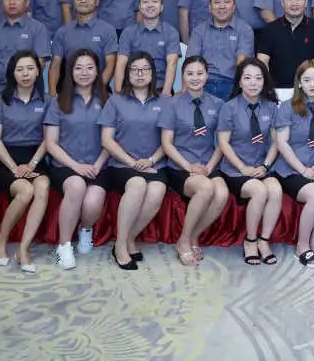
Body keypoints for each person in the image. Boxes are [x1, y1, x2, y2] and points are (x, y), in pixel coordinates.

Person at [99, 52, 170, 270]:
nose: (140, 74)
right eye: (134, 69)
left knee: (157, 190)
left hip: (154, 163)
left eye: (145, 69)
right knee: (138, 184)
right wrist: (132, 163)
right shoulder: (116, 100)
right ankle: (121, 245)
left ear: (153, 73)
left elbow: (168, 140)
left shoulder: (164, 101)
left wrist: (151, 160)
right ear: (127, 73)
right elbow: (106, 140)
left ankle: (130, 238)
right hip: (122, 164)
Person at [159, 56, 231, 267]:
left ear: (207, 76)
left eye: (200, 73)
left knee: (222, 193)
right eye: (189, 73)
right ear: (182, 76)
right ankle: (183, 240)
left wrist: (209, 167)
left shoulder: (218, 104)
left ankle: (193, 236)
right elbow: (166, 143)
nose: (195, 78)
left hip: (207, 163)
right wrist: (189, 167)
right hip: (180, 165)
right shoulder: (172, 104)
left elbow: (222, 143)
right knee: (206, 188)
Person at [0, 51, 50, 273]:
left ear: (38, 72)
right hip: (5, 157)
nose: (25, 74)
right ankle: (1, 240)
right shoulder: (0, 100)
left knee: (42, 185)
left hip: (34, 157)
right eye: (20, 69)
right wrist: (14, 168)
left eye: (30, 68)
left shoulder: (47, 100)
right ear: (12, 73)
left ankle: (24, 247)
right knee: (25, 190)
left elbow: (49, 139)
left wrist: (31, 165)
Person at [44, 49, 109, 271]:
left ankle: (86, 229)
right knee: (76, 185)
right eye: (78, 68)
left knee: (93, 201)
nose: (84, 72)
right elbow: (51, 143)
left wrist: (96, 165)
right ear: (70, 72)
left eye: (90, 67)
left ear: (97, 71)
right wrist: (76, 166)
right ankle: (63, 245)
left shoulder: (107, 101)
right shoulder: (58, 102)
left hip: (97, 165)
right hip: (65, 165)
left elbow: (110, 141)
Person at [272, 61, 314, 268]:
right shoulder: (287, 107)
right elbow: (282, 143)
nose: (312, 84)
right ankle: (301, 246)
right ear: (299, 83)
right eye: (307, 80)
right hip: (290, 170)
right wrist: (302, 170)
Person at [217, 58, 283, 266]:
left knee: (276, 190)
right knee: (259, 191)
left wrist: (265, 165)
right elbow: (223, 143)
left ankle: (264, 241)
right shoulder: (229, 107)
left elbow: (276, 142)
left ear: (264, 81)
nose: (253, 83)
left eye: (258, 78)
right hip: (235, 169)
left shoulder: (272, 107)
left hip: (261, 166)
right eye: (247, 78)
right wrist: (242, 167)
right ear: (239, 82)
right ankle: (250, 240)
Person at [257, 0, 314, 100]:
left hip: (309, 91)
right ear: (282, 3)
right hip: (277, 91)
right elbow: (262, 61)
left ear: (306, 2)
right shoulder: (270, 29)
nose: (294, 3)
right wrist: (267, 89)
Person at [48, 0, 118, 96]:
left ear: (97, 2)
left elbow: (110, 66)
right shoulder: (62, 32)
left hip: (99, 91)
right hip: (68, 91)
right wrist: (52, 94)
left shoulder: (108, 30)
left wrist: (95, 93)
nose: (83, 0)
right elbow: (55, 65)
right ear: (73, 1)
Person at [187, 0, 255, 99]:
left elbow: (242, 62)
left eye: (226, 2)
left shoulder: (244, 30)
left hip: (232, 84)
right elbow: (191, 62)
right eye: (217, 2)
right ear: (210, 7)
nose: (222, 6)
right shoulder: (199, 31)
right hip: (203, 84)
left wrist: (238, 89)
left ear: (234, 7)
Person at [115, 0, 180, 96]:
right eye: (145, 1)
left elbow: (172, 64)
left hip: (160, 89)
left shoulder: (171, 32)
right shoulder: (128, 32)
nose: (150, 5)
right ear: (140, 7)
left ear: (161, 7)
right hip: (133, 89)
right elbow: (121, 63)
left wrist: (165, 94)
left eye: (154, 1)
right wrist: (118, 93)